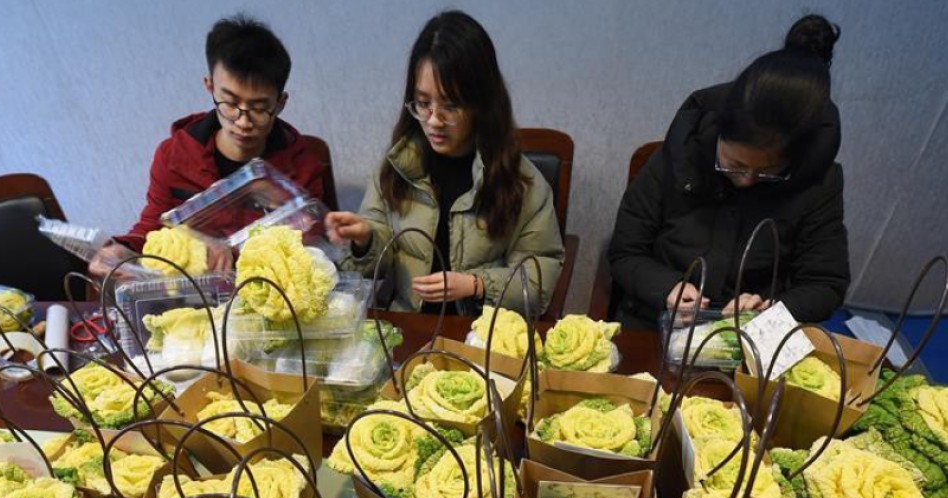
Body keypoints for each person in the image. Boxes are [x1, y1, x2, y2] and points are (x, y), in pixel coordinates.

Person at [607, 14, 849, 329]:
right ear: (718, 132)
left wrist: (772, 309)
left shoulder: (817, 182)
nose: (746, 181)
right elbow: (625, 252)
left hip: (751, 336)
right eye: (734, 166)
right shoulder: (681, 153)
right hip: (655, 325)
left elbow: (825, 284)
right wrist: (667, 288)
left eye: (766, 173)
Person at [325, 10, 563, 316]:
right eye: (423, 103)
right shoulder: (398, 168)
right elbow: (374, 264)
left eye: (450, 105)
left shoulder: (521, 182)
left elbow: (539, 279)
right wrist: (365, 239)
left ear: (481, 103)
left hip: (483, 333)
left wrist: (477, 285)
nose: (434, 120)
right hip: (411, 327)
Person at [91, 14, 324, 276]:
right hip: (194, 293)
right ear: (210, 86)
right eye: (230, 103)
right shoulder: (174, 156)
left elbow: (312, 251)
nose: (243, 122)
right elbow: (153, 230)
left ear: (280, 103)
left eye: (259, 108)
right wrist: (125, 252)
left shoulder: (303, 167)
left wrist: (234, 252)